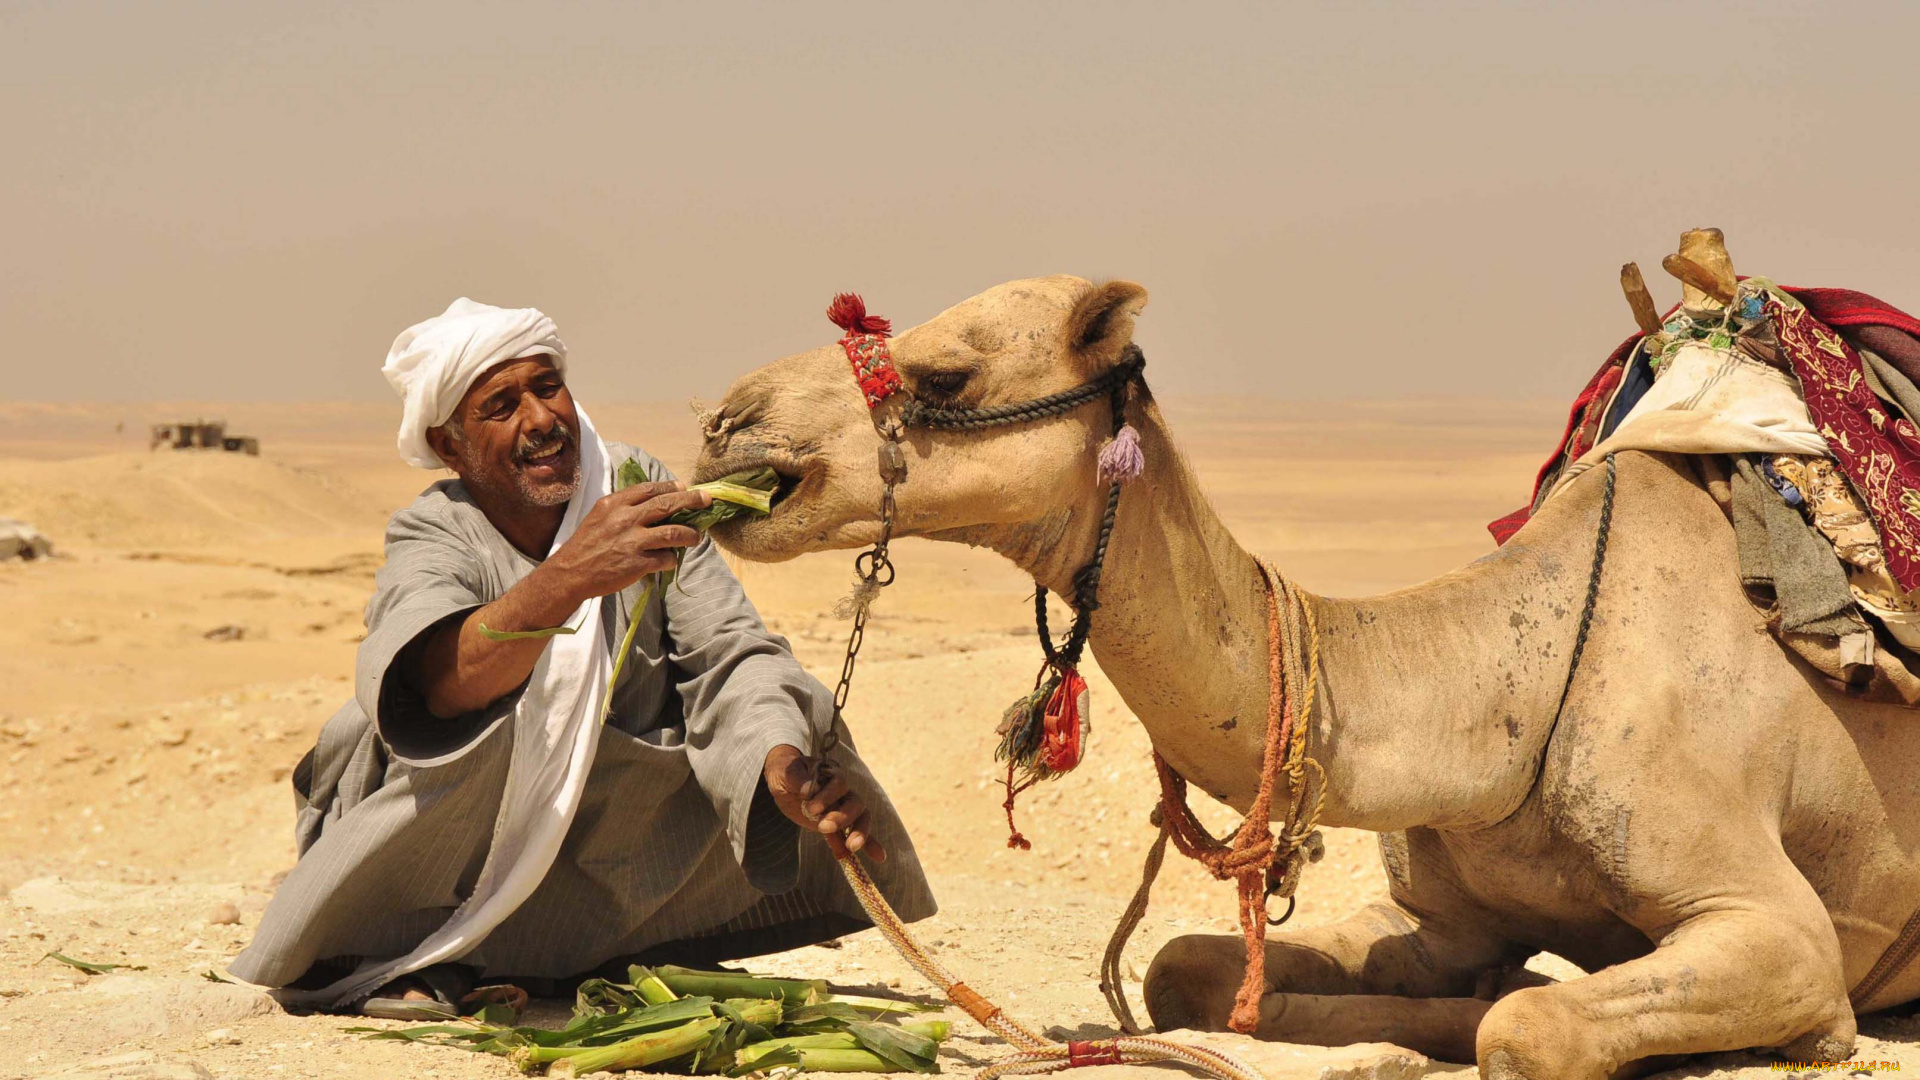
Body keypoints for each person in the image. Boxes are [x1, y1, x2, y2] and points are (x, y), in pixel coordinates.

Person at [228, 299, 933, 1015]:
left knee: (787, 702)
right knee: (486, 729)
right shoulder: (435, 529)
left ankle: (595, 945)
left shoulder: (633, 488)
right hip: (470, 827)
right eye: (502, 405)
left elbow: (728, 649)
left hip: (609, 840)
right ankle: (417, 950)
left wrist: (777, 768)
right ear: (450, 446)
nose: (541, 419)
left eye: (548, 387)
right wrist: (572, 575)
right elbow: (442, 687)